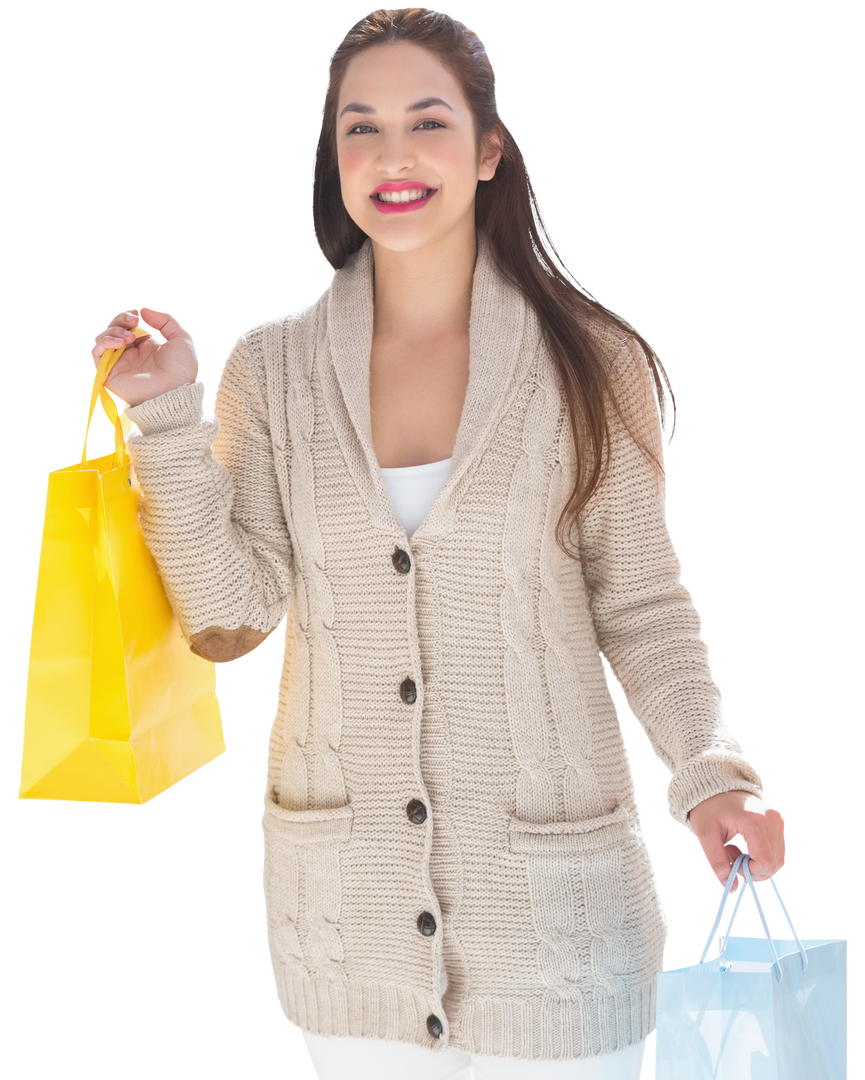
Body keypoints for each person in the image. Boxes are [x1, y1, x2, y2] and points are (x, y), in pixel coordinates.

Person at [88, 6, 788, 1078]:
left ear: (489, 148)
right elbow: (233, 616)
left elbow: (643, 606)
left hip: (559, 930)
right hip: (348, 928)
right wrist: (166, 423)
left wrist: (710, 774)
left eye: (427, 121)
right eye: (360, 128)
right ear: (332, 157)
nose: (394, 155)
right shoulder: (268, 367)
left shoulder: (590, 364)